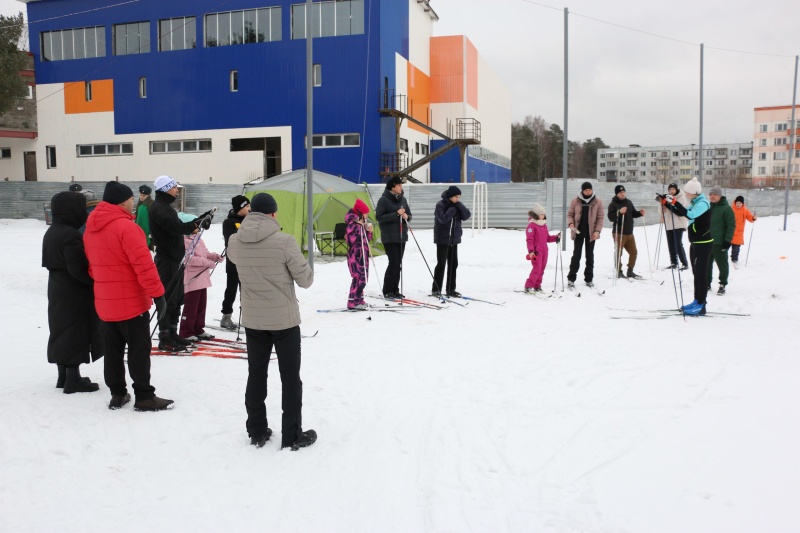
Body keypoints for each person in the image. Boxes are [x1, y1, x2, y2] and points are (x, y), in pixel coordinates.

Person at [227, 193, 317, 450]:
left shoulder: (235, 241)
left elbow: (235, 260)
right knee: (290, 378)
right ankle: (292, 434)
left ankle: (256, 430)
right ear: (274, 214)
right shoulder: (285, 242)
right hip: (284, 321)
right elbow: (306, 280)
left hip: (254, 320)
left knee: (256, 374)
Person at [83, 181, 173, 411]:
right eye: (131, 199)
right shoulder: (127, 228)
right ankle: (144, 396)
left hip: (105, 302)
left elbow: (92, 268)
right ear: (122, 201)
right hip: (131, 303)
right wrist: (158, 295)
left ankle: (117, 394)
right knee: (138, 350)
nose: (134, 202)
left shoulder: (91, 228)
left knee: (112, 351)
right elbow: (144, 267)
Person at [42, 191, 103, 393]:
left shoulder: (53, 230)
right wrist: (95, 282)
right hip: (73, 289)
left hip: (57, 286)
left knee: (60, 329)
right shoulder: (71, 234)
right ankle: (73, 379)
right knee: (74, 331)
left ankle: (64, 375)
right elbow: (77, 268)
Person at [148, 175, 213, 351]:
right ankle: (165, 336)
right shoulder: (159, 208)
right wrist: (192, 225)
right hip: (167, 260)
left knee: (176, 299)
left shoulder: (166, 207)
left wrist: (198, 221)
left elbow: (178, 226)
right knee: (168, 299)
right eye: (175, 187)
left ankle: (172, 332)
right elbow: (174, 227)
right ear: (166, 188)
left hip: (175, 259)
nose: (177, 190)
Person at [660, 176, 712, 316]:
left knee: (701, 274)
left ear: (694, 192)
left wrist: (676, 202)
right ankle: (697, 300)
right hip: (695, 243)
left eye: (687, 192)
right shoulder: (695, 202)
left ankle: (702, 304)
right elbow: (680, 212)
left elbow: (689, 215)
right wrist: (669, 204)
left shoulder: (703, 203)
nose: (686, 194)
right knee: (696, 273)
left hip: (704, 243)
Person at [178, 213, 224, 341]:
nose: (198, 226)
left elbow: (204, 254)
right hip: (192, 278)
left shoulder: (197, 238)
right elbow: (189, 259)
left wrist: (214, 257)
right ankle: (186, 331)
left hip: (202, 278)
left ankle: (198, 328)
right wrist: (207, 263)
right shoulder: (184, 241)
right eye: (195, 224)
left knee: (201, 306)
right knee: (191, 306)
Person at [375, 176, 412, 298]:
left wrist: (407, 216)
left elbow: (409, 215)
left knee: (398, 263)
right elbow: (379, 218)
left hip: (401, 236)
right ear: (393, 186)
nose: (401, 187)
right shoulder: (384, 200)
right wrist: (396, 214)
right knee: (393, 262)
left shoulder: (403, 199)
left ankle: (395, 289)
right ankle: (387, 290)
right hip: (389, 236)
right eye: (399, 185)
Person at [431, 185, 471, 298]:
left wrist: (459, 205)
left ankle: (451, 289)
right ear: (450, 196)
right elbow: (443, 219)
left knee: (453, 264)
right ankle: (436, 289)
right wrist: (452, 209)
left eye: (459, 197)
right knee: (441, 264)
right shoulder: (440, 205)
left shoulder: (457, 204)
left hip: (454, 239)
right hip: (443, 239)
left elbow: (466, 216)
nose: (457, 199)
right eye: (456, 197)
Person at [220, 195, 250, 329]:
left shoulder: (249, 220)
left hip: (248, 262)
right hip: (234, 262)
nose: (250, 208)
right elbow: (230, 241)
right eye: (247, 206)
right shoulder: (229, 222)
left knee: (248, 291)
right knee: (231, 290)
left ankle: (249, 317)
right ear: (240, 208)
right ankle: (226, 316)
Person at [566, 182, 604, 288]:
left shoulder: (598, 202)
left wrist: (597, 231)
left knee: (590, 256)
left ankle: (589, 279)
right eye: (586, 190)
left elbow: (600, 218)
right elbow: (570, 214)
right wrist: (571, 223)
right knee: (576, 255)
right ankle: (571, 278)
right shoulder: (575, 201)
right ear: (582, 191)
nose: (588, 192)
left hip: (591, 234)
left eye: (590, 190)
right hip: (578, 232)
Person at [607, 184, 645, 279]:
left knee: (634, 252)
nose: (622, 194)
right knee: (619, 253)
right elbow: (610, 218)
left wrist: (640, 213)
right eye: (620, 192)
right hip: (619, 233)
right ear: (616, 194)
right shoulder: (613, 204)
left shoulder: (629, 202)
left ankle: (630, 271)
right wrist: (619, 212)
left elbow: (633, 214)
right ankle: (619, 271)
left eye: (623, 192)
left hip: (629, 233)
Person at [524, 203, 560, 294]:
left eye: (543, 214)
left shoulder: (543, 225)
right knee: (537, 269)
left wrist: (556, 238)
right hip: (536, 252)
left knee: (542, 269)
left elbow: (547, 238)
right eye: (541, 214)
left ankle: (537, 286)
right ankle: (528, 286)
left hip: (544, 251)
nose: (543, 216)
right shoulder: (531, 226)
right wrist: (531, 251)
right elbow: (529, 240)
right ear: (536, 215)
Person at [344, 198, 373, 310]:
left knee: (364, 278)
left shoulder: (360, 225)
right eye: (365, 214)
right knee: (358, 278)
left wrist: (368, 232)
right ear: (360, 213)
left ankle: (359, 299)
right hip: (355, 256)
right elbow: (352, 240)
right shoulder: (352, 224)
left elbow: (366, 240)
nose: (366, 217)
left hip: (363, 254)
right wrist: (359, 227)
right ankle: (352, 302)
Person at [707, 186, 736, 295]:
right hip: (707, 242)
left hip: (720, 242)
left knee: (722, 265)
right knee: (706, 264)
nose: (712, 196)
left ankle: (722, 284)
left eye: (715, 194)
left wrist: (727, 240)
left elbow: (731, 225)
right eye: (711, 194)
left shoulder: (726, 209)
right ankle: (707, 283)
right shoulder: (707, 207)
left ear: (720, 196)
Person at [660, 183, 689, 270]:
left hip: (679, 224)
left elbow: (680, 212)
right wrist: (662, 203)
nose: (671, 191)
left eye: (673, 189)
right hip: (669, 224)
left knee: (678, 244)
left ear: (676, 189)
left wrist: (667, 204)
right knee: (671, 244)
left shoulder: (681, 198)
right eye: (670, 189)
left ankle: (684, 263)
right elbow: (662, 211)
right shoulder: (667, 198)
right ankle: (673, 262)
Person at [731, 195, 757, 268]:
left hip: (739, 233)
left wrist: (753, 218)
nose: (738, 204)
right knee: (725, 246)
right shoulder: (731, 209)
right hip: (730, 231)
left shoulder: (745, 210)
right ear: (735, 203)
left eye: (740, 203)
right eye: (737, 203)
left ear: (742, 203)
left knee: (736, 248)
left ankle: (734, 259)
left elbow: (750, 218)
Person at [135, 184, 154, 250]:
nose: (142, 197)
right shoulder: (139, 204)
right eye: (140, 194)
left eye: (144, 195)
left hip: (148, 232)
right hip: (138, 230)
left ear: (148, 195)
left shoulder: (151, 204)